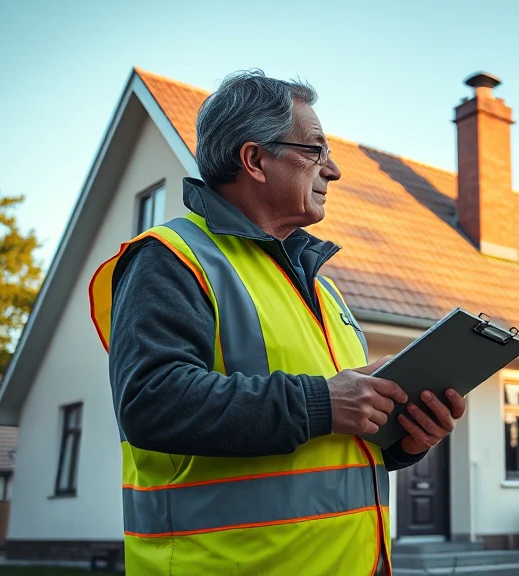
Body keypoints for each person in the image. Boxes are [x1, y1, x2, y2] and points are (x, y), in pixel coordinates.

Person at [88, 70, 466, 576]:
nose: (333, 170)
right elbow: (151, 401)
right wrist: (322, 402)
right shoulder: (170, 258)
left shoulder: (322, 290)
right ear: (255, 160)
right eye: (315, 149)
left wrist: (401, 439)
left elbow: (325, 441)